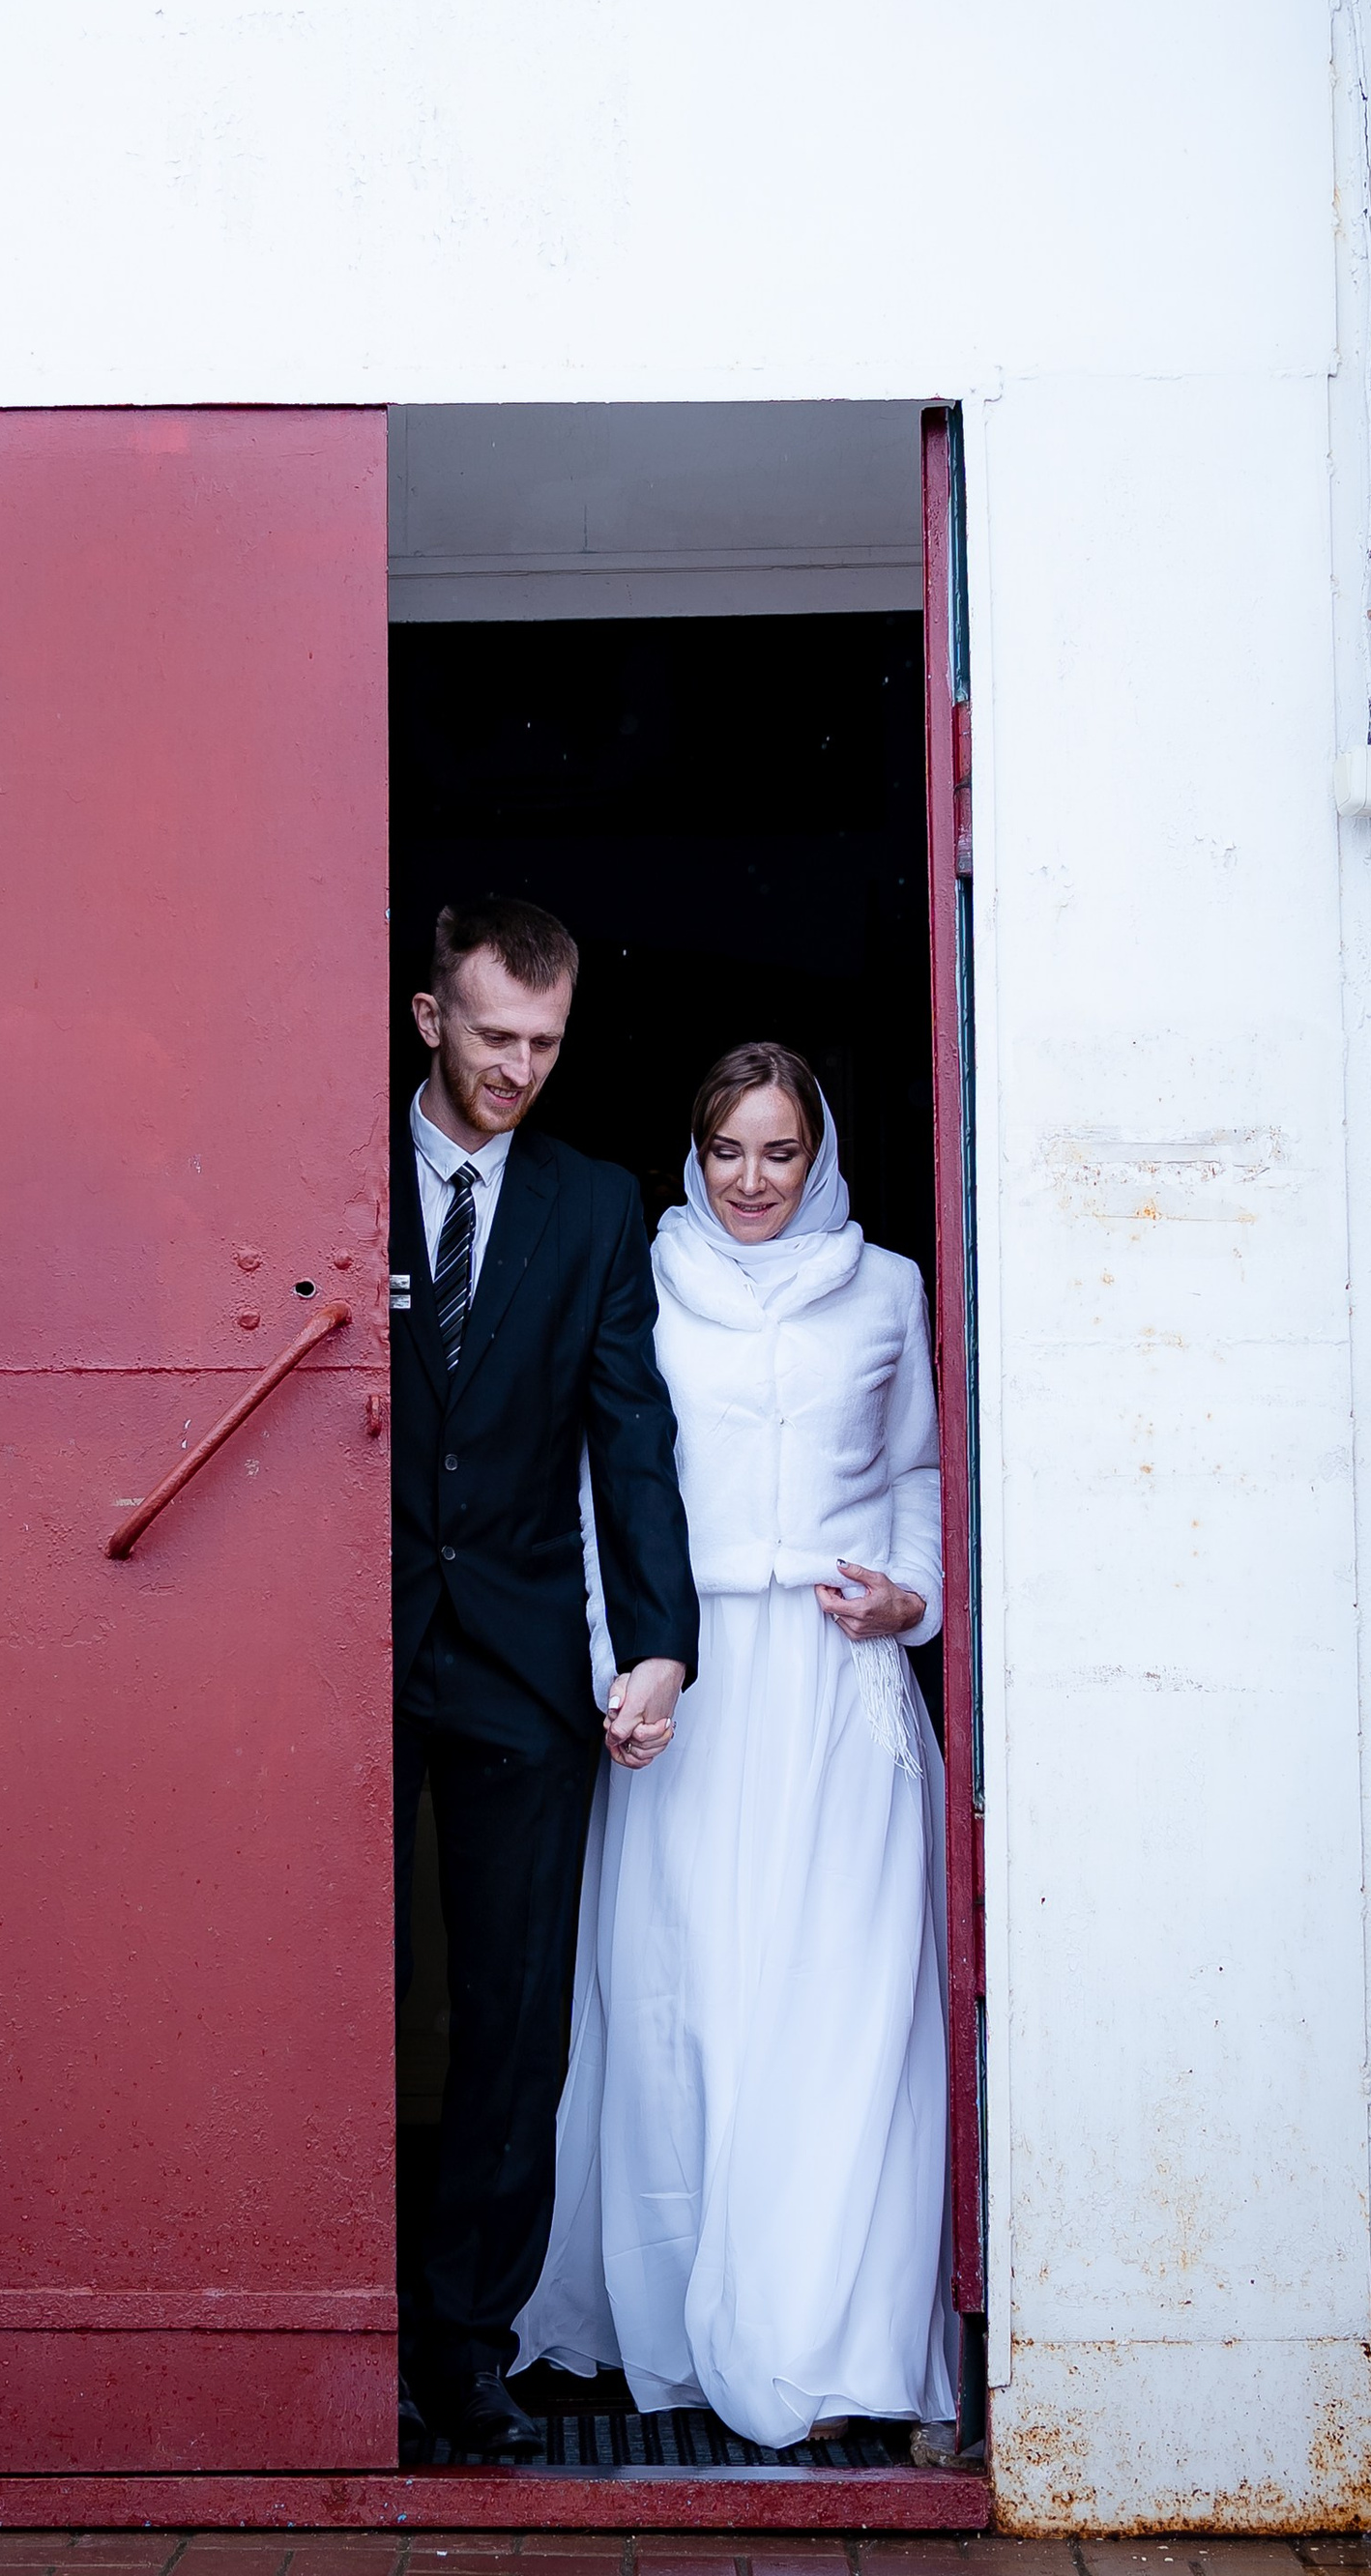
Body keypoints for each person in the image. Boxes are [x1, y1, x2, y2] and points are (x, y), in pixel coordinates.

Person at [512, 1038, 957, 2453]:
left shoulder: (889, 1287)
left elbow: (920, 1472)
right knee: (683, 1997)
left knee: (832, 2004)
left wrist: (913, 1590)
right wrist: (618, 1662)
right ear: (692, 1158)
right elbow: (599, 1480)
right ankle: (677, 2331)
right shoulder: (649, 1280)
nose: (752, 1178)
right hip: (687, 1675)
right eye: (726, 1150)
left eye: (779, 1149)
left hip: (836, 1683)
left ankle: (822, 2337)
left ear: (818, 1153)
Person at [392, 895, 699, 2467]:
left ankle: (464, 2351)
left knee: (514, 2018)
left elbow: (627, 1425)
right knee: (330, 1991)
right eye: (495, 1034)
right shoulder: (326, 1160)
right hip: (345, 1654)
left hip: (522, 1658)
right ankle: (315, 2326)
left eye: (547, 1042)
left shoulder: (593, 1205)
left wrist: (657, 1635)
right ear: (429, 1017)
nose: (521, 1068)